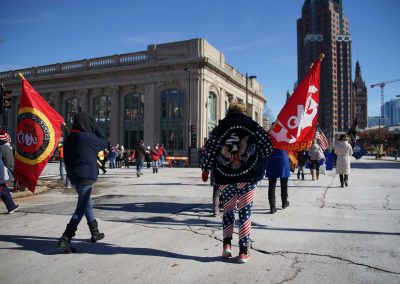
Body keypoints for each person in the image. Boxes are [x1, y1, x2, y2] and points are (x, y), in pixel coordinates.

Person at [200, 103, 273, 263]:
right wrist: (257, 158)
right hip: (248, 176)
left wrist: (205, 170)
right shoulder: (252, 125)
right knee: (245, 214)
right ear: (243, 112)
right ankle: (243, 252)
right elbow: (268, 146)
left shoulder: (220, 128)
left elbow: (209, 150)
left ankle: (226, 246)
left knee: (228, 210)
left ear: (228, 112)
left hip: (225, 176)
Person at [57, 112, 107, 253]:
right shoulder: (88, 138)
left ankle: (95, 232)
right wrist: (96, 127)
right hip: (86, 177)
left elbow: (66, 160)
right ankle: (65, 239)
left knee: (87, 204)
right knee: (80, 209)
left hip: (75, 177)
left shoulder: (69, 138)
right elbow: (104, 142)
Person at [264, 149, 290, 214]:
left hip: (271, 159)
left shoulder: (270, 138)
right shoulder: (285, 138)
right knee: (284, 184)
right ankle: (284, 202)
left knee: (271, 185)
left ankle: (272, 207)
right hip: (283, 157)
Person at [0, 130, 20, 214]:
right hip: (1, 174)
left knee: (4, 190)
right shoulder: (5, 147)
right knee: (3, 189)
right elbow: (10, 163)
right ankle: (11, 206)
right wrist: (15, 173)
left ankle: (11, 206)